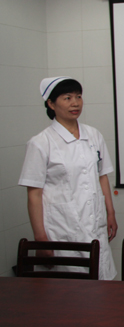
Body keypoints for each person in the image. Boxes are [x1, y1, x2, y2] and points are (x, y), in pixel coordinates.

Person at [19, 76, 118, 280]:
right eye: (67, 98)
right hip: (61, 228)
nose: (75, 103)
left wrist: (110, 213)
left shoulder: (94, 135)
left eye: (78, 97)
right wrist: (40, 239)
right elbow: (34, 195)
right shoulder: (40, 143)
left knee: (102, 285)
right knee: (68, 291)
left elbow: (102, 177)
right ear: (51, 104)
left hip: (95, 225)